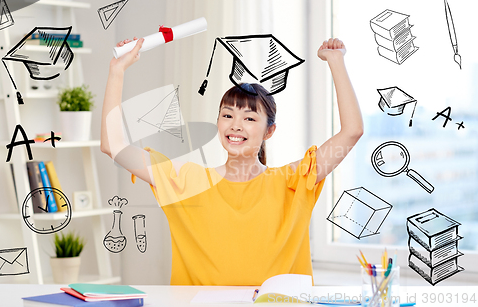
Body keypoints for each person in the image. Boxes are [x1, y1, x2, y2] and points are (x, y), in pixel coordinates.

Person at [101, 37, 363, 285]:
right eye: (227, 115)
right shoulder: (188, 182)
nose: (236, 125)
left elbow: (352, 131)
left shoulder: (291, 183)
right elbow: (113, 146)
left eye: (249, 118)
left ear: (268, 131)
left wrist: (335, 61)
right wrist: (117, 71)